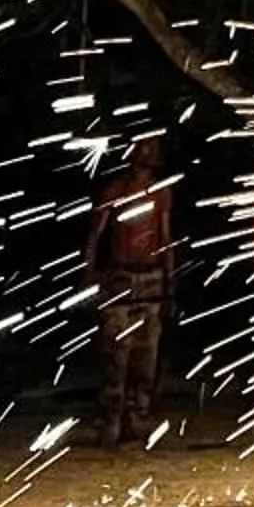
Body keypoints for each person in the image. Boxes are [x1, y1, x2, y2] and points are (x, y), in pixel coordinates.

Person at [84, 134, 176, 449]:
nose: (145, 157)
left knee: (146, 356)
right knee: (116, 354)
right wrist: (89, 273)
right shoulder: (115, 189)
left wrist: (169, 281)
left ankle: (137, 422)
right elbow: (95, 235)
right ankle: (111, 422)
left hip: (150, 279)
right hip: (119, 279)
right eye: (142, 150)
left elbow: (164, 238)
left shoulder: (161, 193)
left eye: (150, 151)